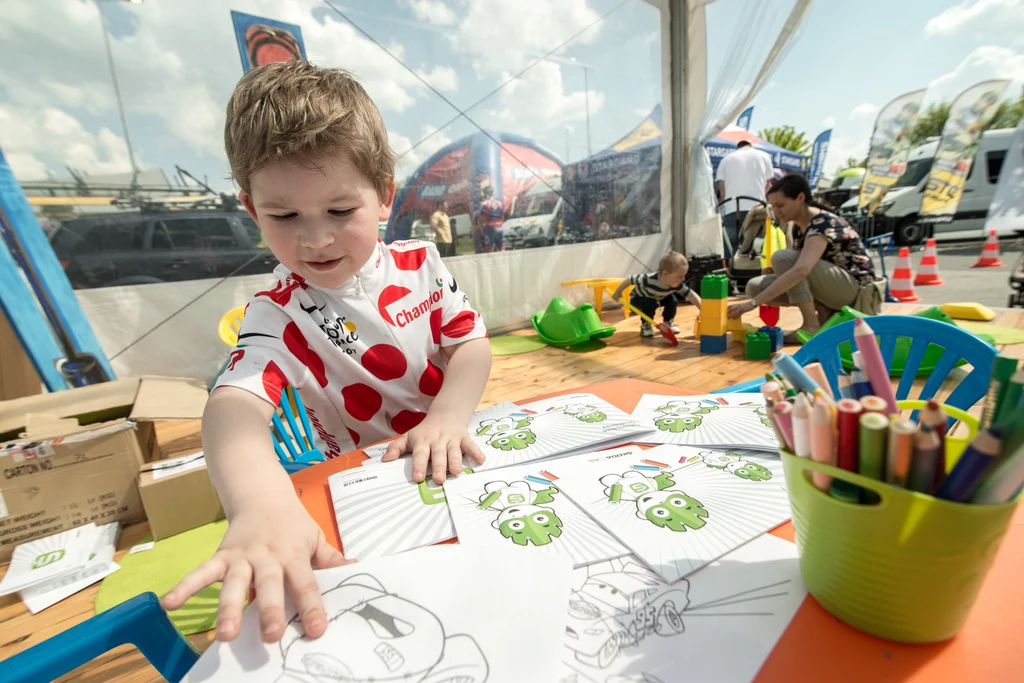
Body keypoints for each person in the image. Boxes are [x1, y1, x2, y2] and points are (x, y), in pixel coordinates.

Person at [161, 61, 492, 646]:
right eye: (284, 216)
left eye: (341, 211)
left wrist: (446, 416)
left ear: (385, 196)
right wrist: (260, 503)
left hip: (456, 460)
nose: (315, 239)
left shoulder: (420, 266)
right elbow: (233, 405)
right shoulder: (278, 313)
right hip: (372, 496)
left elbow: (469, 344)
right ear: (250, 209)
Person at [727, 174, 879, 341]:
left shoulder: (822, 222)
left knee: (782, 258)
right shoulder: (797, 226)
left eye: (780, 205)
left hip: (856, 291)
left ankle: (810, 326)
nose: (777, 212)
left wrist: (752, 304)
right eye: (773, 207)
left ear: (800, 198)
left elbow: (801, 269)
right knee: (755, 287)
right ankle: (822, 320)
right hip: (831, 285)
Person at [612, 251, 702, 338]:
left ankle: (668, 322)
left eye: (684, 275)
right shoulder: (648, 279)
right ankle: (646, 325)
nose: (683, 279)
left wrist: (702, 309)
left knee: (672, 301)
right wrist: (617, 292)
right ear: (665, 274)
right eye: (680, 276)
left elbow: (691, 295)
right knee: (650, 304)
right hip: (638, 299)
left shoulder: (676, 284)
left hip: (657, 298)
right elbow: (629, 279)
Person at [715, 141, 774, 257]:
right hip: (757, 208)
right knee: (755, 247)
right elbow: (768, 186)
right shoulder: (764, 156)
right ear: (750, 146)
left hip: (732, 207)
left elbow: (722, 191)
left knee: (730, 246)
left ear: (738, 148)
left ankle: (730, 271)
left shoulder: (726, 160)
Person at [475, 186, 505, 252]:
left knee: (489, 248)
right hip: (500, 227)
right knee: (501, 247)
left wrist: (482, 229)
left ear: (485, 194)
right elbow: (502, 217)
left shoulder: (484, 204)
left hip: (490, 227)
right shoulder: (500, 203)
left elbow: (481, 219)